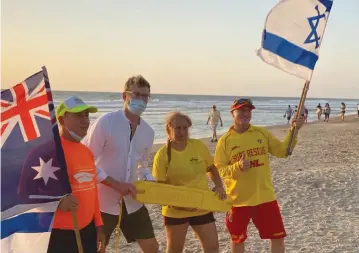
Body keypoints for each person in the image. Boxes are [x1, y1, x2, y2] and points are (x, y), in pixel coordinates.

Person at [214, 98, 304, 253]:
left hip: (264, 196)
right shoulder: (224, 141)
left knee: (277, 237)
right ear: (232, 113)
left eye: (248, 110)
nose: (245, 114)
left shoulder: (261, 133)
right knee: (237, 239)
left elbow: (283, 152)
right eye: (241, 110)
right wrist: (238, 167)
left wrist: (294, 130)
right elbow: (220, 170)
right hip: (238, 200)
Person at [82, 75, 159, 253]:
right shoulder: (106, 122)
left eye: (145, 96)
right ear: (125, 96)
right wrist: (115, 184)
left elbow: (142, 166)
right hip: (102, 203)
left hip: (133, 202)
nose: (141, 99)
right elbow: (85, 162)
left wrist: (150, 180)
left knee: (152, 247)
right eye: (137, 94)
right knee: (97, 248)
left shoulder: (148, 131)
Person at [153, 112, 226, 253]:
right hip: (175, 210)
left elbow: (211, 168)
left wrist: (218, 185)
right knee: (175, 250)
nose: (182, 132)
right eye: (177, 128)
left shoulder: (197, 146)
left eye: (185, 128)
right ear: (169, 129)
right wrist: (180, 205)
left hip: (202, 205)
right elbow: (159, 188)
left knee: (212, 248)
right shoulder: (162, 154)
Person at [47, 96, 106, 253]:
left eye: (86, 115)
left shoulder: (86, 152)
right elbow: (28, 192)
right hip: (60, 233)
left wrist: (99, 225)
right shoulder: (49, 150)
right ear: (61, 119)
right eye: (79, 116)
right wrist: (58, 203)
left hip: (88, 230)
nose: (85, 120)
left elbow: (92, 192)